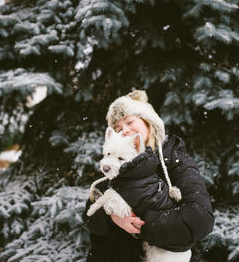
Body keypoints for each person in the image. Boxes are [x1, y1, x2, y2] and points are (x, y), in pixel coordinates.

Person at [83, 90, 214, 262]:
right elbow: (89, 218)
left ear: (149, 123)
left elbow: (199, 219)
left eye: (130, 121)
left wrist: (140, 223)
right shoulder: (114, 163)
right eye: (118, 128)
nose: (125, 130)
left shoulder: (175, 160)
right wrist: (112, 218)